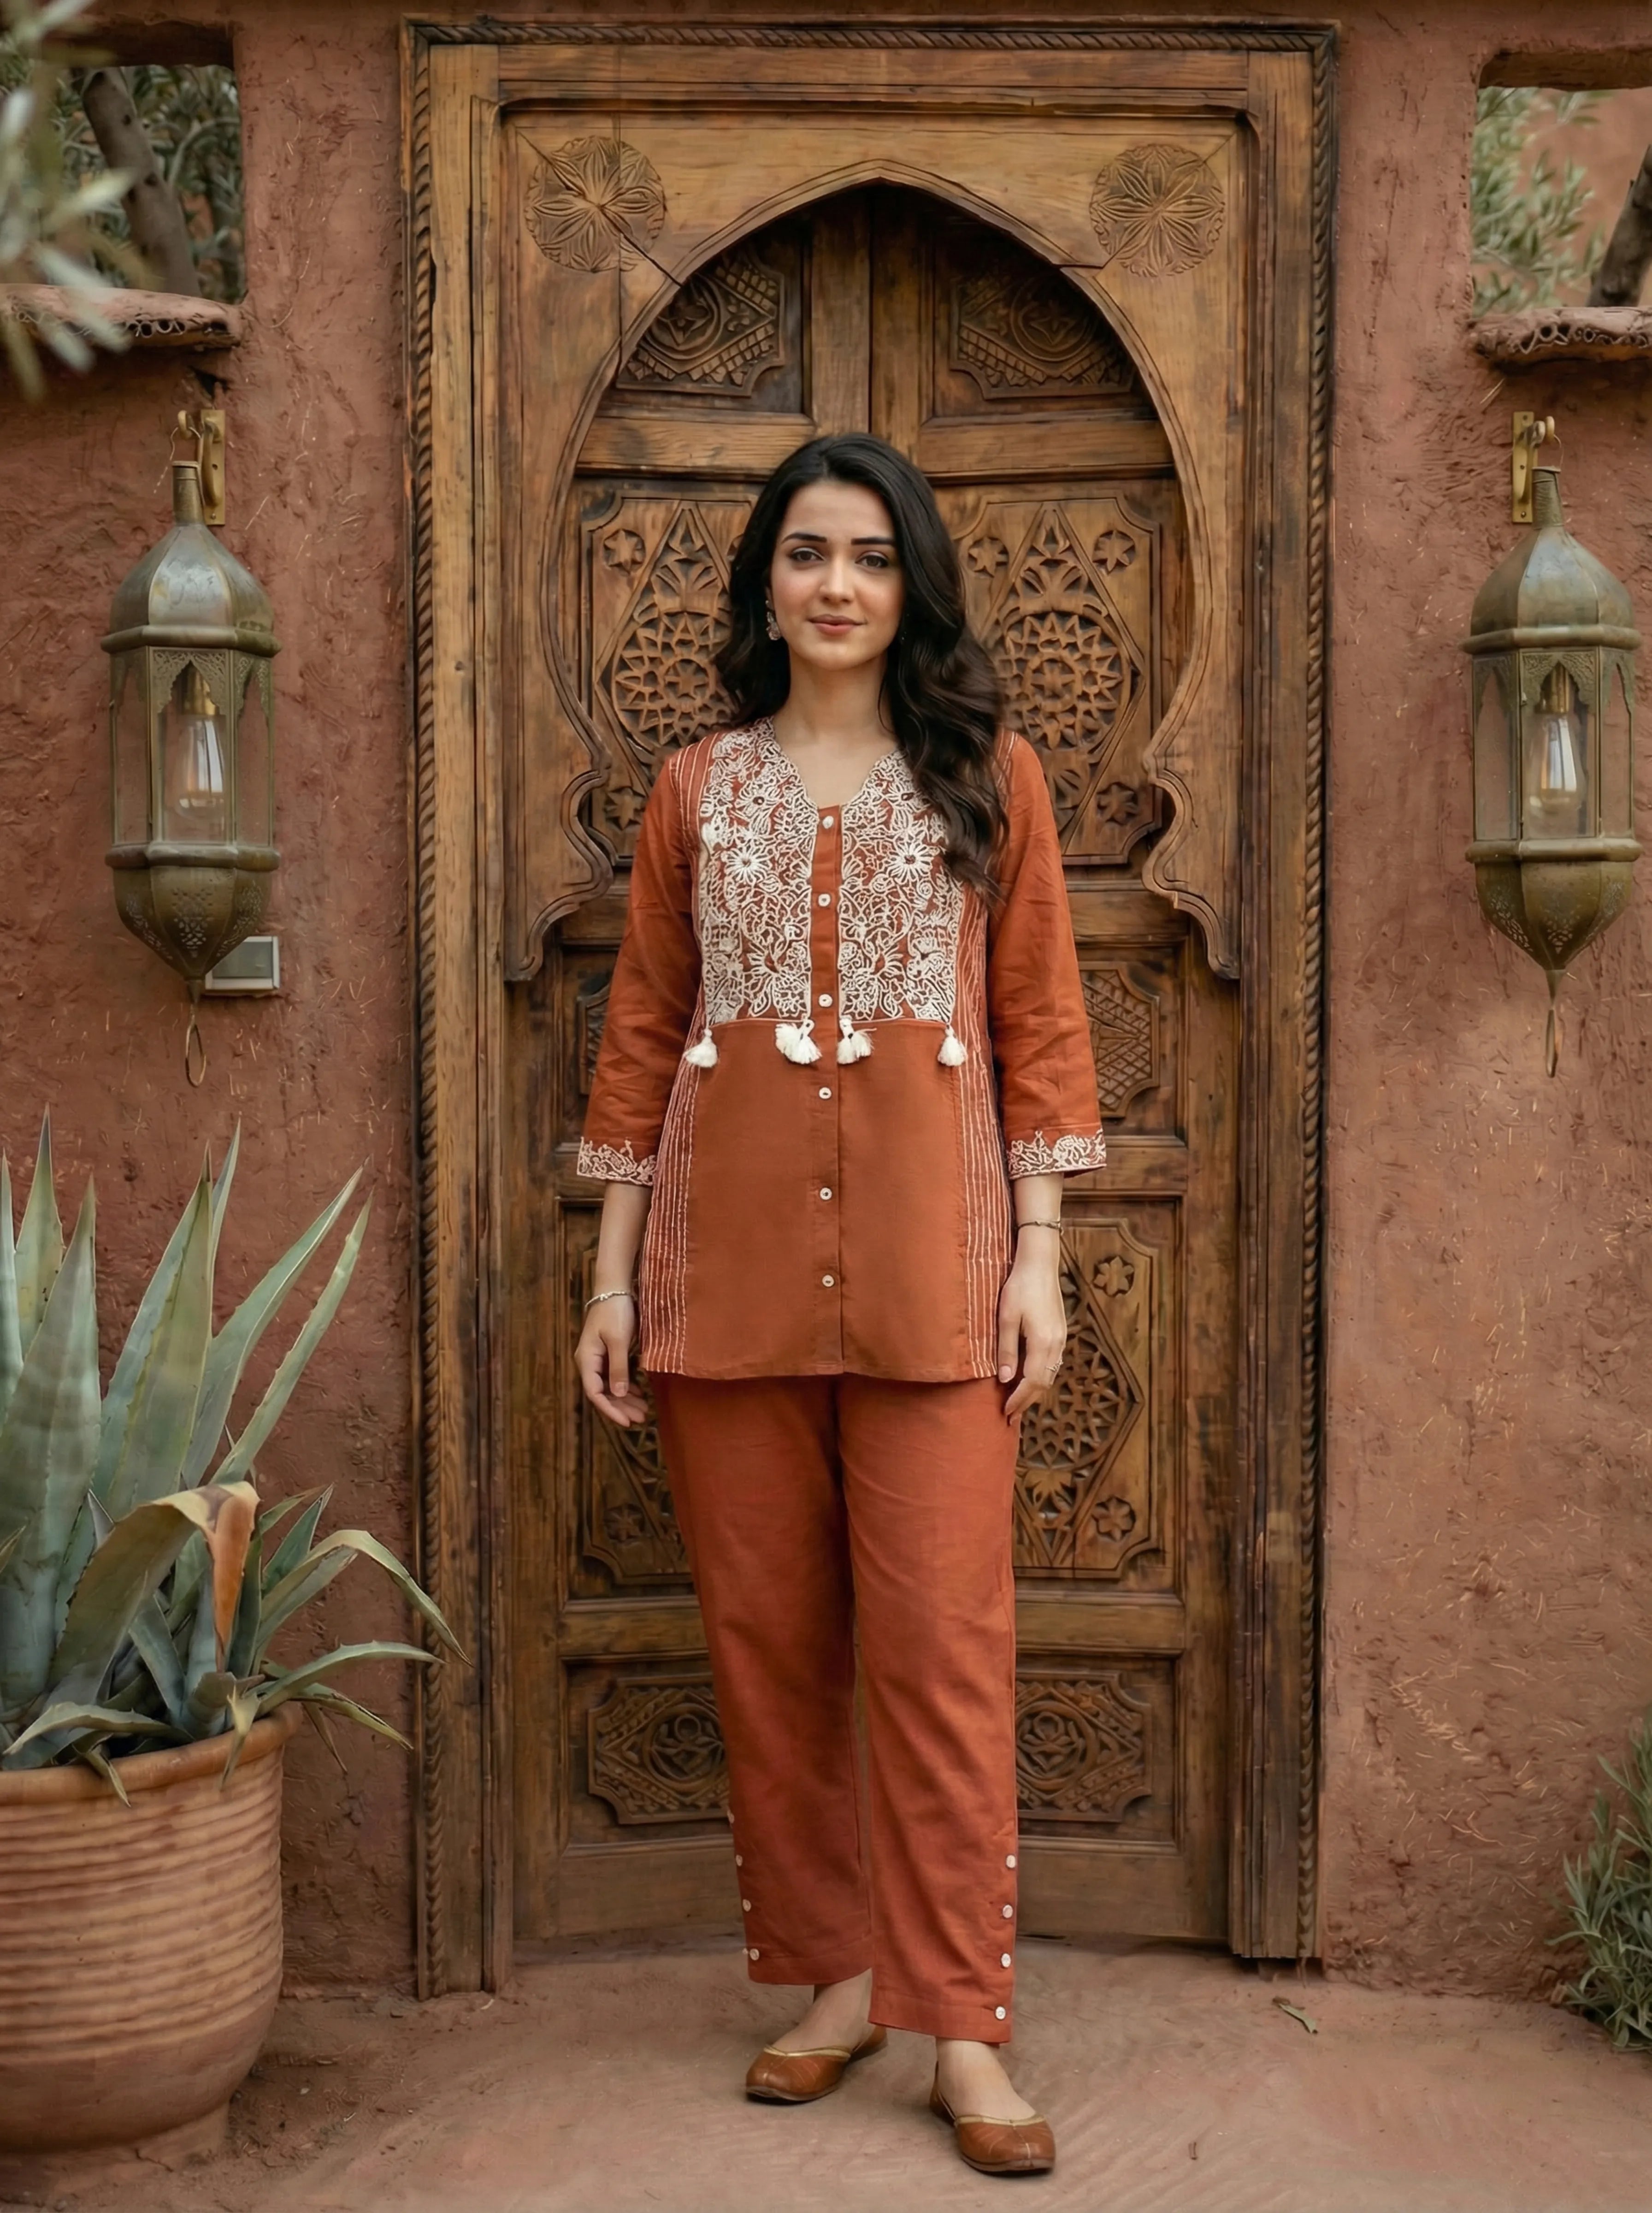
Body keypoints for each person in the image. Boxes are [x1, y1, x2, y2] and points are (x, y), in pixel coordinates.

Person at [575, 432, 1104, 2178]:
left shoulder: (987, 782)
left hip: (933, 1288)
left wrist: (1038, 1257)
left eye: (871, 557)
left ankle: (965, 2027)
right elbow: (647, 1030)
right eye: (806, 553)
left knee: (945, 1659)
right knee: (772, 1652)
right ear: (765, 583)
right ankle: (832, 1982)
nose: (837, 585)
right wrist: (608, 1278)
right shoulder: (693, 795)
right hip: (718, 1291)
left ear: (910, 585)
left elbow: (1038, 1022)